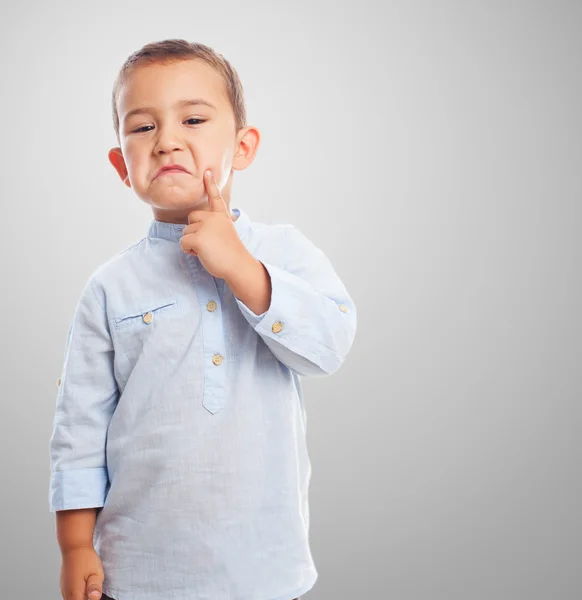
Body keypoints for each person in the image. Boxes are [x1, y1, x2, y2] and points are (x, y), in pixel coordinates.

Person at [48, 39, 357, 600]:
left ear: (243, 146)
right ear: (122, 165)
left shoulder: (284, 252)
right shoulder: (110, 287)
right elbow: (79, 428)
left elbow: (328, 347)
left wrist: (241, 266)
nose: (167, 140)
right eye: (142, 128)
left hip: (264, 568)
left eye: (193, 119)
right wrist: (75, 546)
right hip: (138, 571)